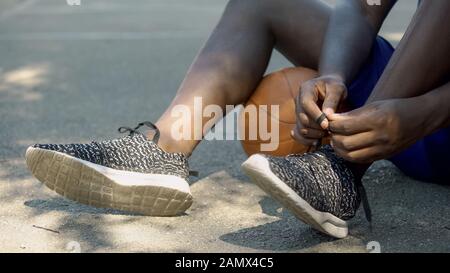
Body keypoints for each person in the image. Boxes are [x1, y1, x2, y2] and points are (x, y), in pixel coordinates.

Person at [25, 0, 450, 238]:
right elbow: (363, 7)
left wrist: (426, 112)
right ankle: (161, 150)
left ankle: (341, 171)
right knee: (262, 3)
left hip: (429, 119)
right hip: (393, 104)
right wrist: (333, 73)